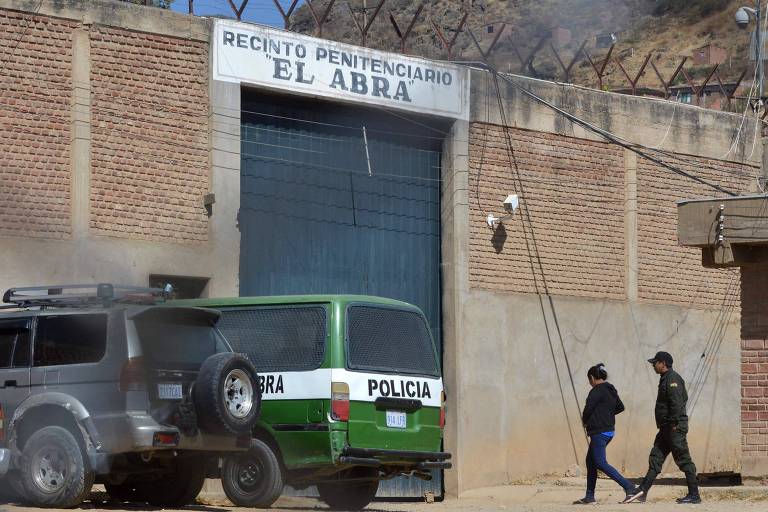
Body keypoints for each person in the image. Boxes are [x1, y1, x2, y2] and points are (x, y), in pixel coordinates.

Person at [624, 352, 701, 504]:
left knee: (683, 460)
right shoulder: (665, 378)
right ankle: (642, 491)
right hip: (666, 428)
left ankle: (694, 495)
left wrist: (673, 424)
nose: (653, 365)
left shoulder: (673, 379)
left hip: (674, 428)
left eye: (655, 362)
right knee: (656, 457)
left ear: (663, 363)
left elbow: (678, 403)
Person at [573, 363, 639, 505]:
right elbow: (620, 407)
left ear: (592, 377)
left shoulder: (596, 390)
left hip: (599, 431)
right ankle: (589, 497)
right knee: (591, 462)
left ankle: (630, 487)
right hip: (609, 430)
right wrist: (606, 414)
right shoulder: (611, 389)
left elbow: (588, 409)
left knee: (600, 463)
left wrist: (585, 421)